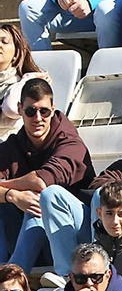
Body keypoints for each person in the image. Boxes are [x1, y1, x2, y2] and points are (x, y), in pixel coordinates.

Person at [0, 78, 93, 275]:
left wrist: (5, 186)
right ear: (19, 109)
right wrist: (12, 195)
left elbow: (39, 182)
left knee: (44, 198)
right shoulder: (13, 145)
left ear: (53, 109)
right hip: (36, 239)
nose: (38, 118)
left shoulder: (70, 142)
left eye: (44, 111)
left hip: (77, 238)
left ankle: (11, 277)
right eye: (31, 111)